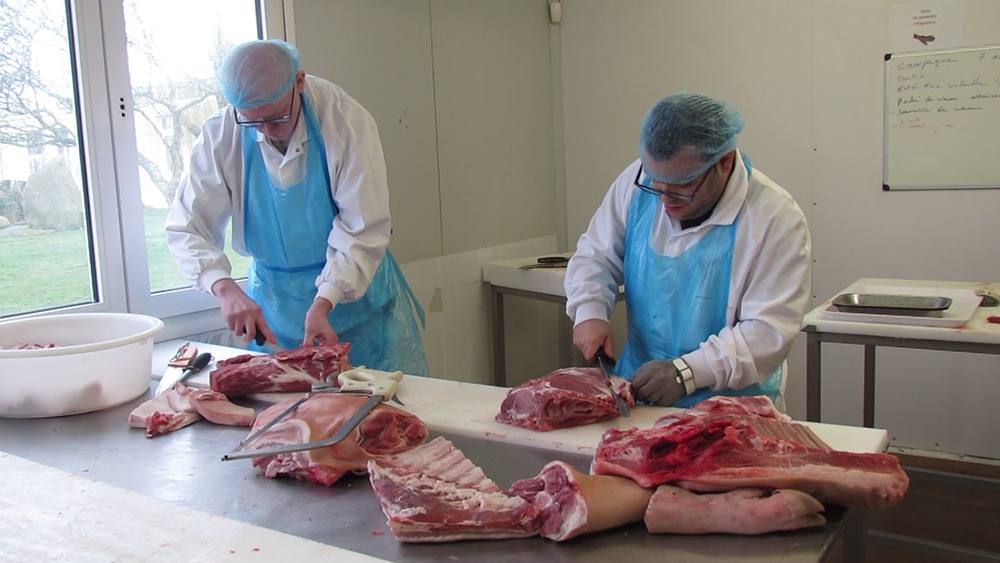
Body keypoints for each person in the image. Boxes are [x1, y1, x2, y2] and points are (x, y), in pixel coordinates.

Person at [166, 39, 428, 376]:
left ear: (299, 82)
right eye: (251, 121)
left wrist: (325, 301)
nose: (265, 131)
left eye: (275, 118)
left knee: (376, 413)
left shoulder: (344, 121)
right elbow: (188, 226)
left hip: (355, 304)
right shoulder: (222, 132)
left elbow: (361, 224)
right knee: (288, 416)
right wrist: (224, 287)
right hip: (274, 310)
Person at [564, 92, 811, 408]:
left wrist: (686, 373)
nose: (664, 198)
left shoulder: (775, 217)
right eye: (656, 183)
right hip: (637, 395)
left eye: (682, 186)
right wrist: (589, 311)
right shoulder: (638, 181)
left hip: (733, 411)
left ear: (725, 161)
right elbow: (595, 254)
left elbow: (768, 332)